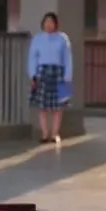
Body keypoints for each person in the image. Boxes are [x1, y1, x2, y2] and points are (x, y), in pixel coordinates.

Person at [28, 11, 73, 144]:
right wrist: (32, 74)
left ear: (56, 24)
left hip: (59, 73)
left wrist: (67, 77)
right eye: (46, 22)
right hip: (42, 73)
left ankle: (55, 133)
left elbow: (67, 58)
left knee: (58, 106)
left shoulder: (63, 38)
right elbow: (32, 58)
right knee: (42, 106)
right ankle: (44, 133)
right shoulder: (37, 39)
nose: (48, 24)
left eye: (51, 22)